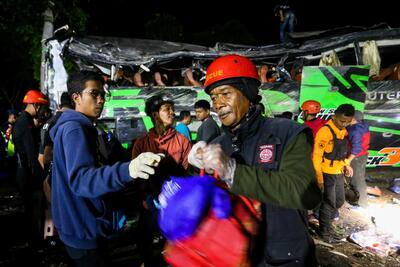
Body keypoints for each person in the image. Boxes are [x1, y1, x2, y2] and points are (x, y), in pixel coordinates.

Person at [189, 54, 321, 266]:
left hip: (284, 258)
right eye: (214, 98)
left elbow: (306, 193)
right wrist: (194, 176)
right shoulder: (219, 144)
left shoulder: (288, 133)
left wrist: (233, 172)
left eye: (225, 94)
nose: (218, 104)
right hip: (236, 256)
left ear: (248, 93)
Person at [50, 70, 163, 267]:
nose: (101, 99)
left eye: (102, 94)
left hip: (76, 226)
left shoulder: (79, 126)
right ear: (76, 97)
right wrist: (127, 170)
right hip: (83, 231)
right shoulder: (75, 129)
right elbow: (81, 180)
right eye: (94, 94)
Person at [131, 94, 192, 266]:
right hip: (149, 203)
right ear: (155, 115)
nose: (172, 113)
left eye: (172, 109)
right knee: (146, 242)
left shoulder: (182, 141)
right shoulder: (141, 143)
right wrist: (144, 198)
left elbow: (189, 171)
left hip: (175, 203)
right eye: (167, 109)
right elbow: (136, 177)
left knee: (176, 245)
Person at [12, 90, 50, 252]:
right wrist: (43, 177)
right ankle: (35, 244)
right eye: (41, 107)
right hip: (27, 173)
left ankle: (34, 243)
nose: (42, 111)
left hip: (23, 171)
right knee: (33, 211)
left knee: (31, 211)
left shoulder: (23, 121)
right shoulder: (25, 123)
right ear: (35, 105)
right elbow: (32, 155)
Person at [312, 104, 355, 243]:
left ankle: (328, 226)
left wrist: (346, 165)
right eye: (342, 121)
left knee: (339, 201)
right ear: (334, 116)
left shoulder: (342, 131)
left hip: (338, 171)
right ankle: (324, 231)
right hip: (327, 173)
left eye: (348, 122)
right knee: (329, 202)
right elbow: (317, 156)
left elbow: (340, 153)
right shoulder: (325, 131)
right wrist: (319, 178)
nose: (345, 124)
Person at [346, 110, 370, 208]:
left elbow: (356, 148)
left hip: (356, 157)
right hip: (362, 156)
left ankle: (362, 204)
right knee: (356, 178)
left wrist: (348, 160)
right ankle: (355, 198)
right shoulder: (362, 125)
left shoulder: (355, 130)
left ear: (353, 118)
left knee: (357, 180)